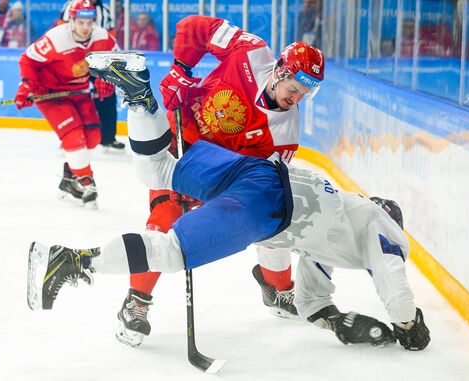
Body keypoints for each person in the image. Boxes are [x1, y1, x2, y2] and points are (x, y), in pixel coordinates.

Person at [27, 56, 430, 351]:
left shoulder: (341, 225)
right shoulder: (382, 228)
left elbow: (309, 275)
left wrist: (333, 320)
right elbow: (392, 275)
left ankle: (139, 95)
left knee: (158, 170)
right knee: (171, 249)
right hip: (268, 205)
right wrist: (408, 326)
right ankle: (73, 260)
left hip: (261, 176)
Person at [107, 15, 325, 347]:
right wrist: (181, 69)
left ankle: (278, 289)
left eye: (304, 95)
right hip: (177, 141)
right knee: (165, 219)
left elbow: (260, 186)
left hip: (220, 172)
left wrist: (220, 201)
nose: (296, 100)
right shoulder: (251, 51)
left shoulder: (285, 134)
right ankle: (136, 301)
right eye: (294, 89)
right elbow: (193, 27)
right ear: (280, 72)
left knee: (273, 220)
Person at [15, 0, 117, 208]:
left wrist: (105, 78)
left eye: (90, 22)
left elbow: (114, 60)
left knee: (93, 137)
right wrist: (26, 86)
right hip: (50, 93)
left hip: (78, 91)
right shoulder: (56, 39)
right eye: (81, 22)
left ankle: (69, 180)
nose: (86, 28)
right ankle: (87, 183)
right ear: (71, 21)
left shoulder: (102, 37)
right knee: (74, 137)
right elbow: (27, 60)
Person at [59, 0, 125, 153]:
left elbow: (111, 39)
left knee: (107, 97)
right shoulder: (71, 6)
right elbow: (60, 33)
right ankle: (72, 138)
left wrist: (107, 71)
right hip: (75, 60)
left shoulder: (105, 11)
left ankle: (108, 139)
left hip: (99, 60)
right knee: (74, 100)